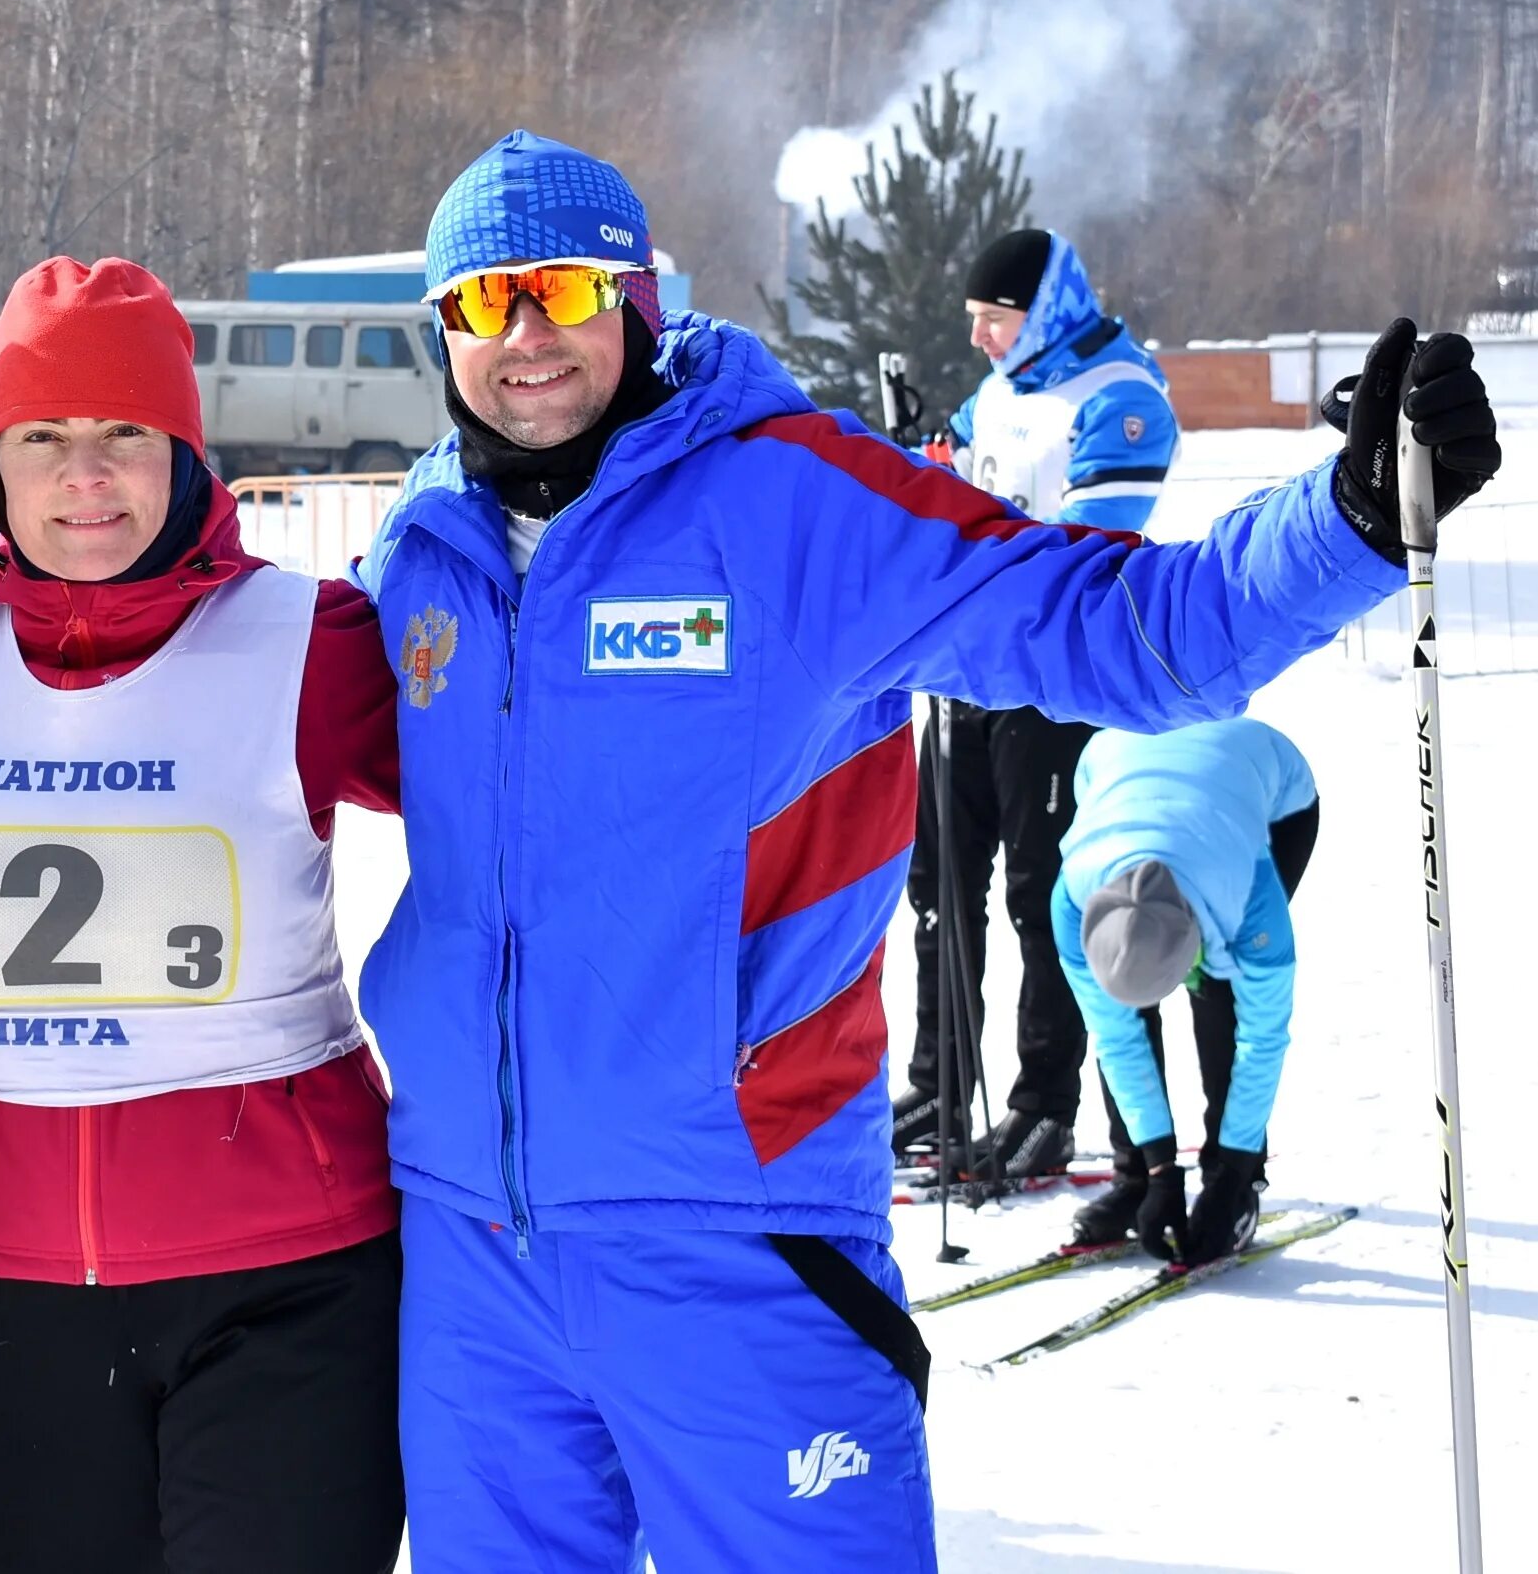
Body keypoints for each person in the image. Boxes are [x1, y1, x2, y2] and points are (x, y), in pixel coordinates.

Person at [350, 129, 1497, 1570]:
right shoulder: (418, 551)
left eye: (563, 293)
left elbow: (1115, 622)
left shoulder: (795, 502)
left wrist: (1340, 523)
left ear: (637, 298)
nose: (523, 337)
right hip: (472, 1262)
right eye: (481, 301)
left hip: (737, 1242)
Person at [0, 258, 405, 1573]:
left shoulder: (307, 638)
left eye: (123, 436)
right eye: (43, 437)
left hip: (283, 1274)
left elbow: (512, 808)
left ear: (183, 454)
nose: (83, 476)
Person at [894, 227, 1183, 1179]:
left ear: (1043, 310)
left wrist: (973, 540)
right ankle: (941, 1077)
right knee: (938, 880)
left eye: (992, 319)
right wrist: (926, 467)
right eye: (972, 321)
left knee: (1038, 896)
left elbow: (1083, 546)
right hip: (968, 671)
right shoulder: (999, 389)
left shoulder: (1119, 393)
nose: (978, 337)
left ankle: (1043, 1103)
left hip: (1054, 683)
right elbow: (971, 491)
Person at [1052, 718, 1320, 1263]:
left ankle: (1234, 1178)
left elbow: (1264, 1036)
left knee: (1224, 993)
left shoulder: (1247, 896)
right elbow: (1116, 1037)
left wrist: (1234, 1167)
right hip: (1118, 768)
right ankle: (1137, 1178)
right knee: (1125, 1013)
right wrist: (1159, 1169)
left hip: (1268, 793)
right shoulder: (1072, 904)